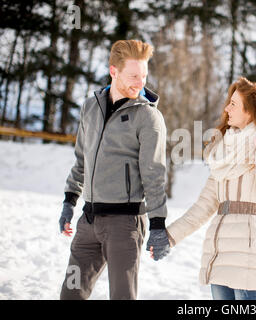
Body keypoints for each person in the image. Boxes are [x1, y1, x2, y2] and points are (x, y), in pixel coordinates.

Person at [158, 77, 256, 300]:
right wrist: (169, 236)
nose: (227, 109)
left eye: (234, 104)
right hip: (220, 256)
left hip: (251, 258)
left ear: (252, 111)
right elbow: (203, 207)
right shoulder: (222, 153)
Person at [59, 40, 171, 300]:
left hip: (124, 225)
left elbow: (154, 174)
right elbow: (81, 161)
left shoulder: (148, 117)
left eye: (143, 76)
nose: (140, 82)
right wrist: (69, 200)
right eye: (133, 75)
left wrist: (158, 224)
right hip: (88, 222)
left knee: (122, 297)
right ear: (114, 71)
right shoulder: (90, 107)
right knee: (70, 294)